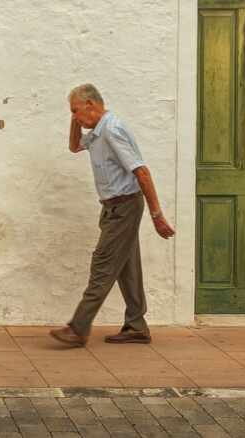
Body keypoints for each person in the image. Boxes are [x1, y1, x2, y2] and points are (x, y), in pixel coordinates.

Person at [50, 83, 176, 347]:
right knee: (127, 267)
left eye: (76, 110)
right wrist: (75, 119)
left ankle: (78, 328)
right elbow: (74, 146)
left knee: (103, 264)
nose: (74, 116)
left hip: (125, 207)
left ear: (91, 105)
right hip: (114, 207)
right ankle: (136, 326)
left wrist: (157, 215)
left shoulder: (112, 130)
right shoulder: (96, 132)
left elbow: (141, 171)